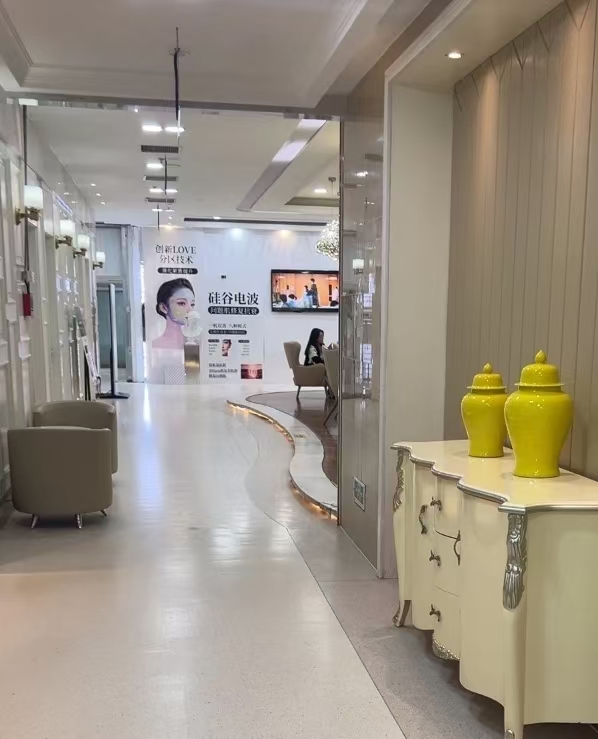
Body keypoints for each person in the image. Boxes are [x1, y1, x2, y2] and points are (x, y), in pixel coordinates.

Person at [152, 278, 196, 350]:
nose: (190, 310)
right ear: (163, 308)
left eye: (192, 304)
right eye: (182, 303)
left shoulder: (196, 343)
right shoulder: (154, 345)